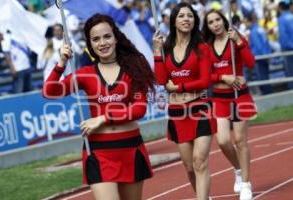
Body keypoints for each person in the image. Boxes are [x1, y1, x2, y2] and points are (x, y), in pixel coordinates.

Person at [42, 14, 154, 200]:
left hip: (130, 149)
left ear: (116, 38)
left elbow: (139, 109)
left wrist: (103, 118)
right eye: (96, 39)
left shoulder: (134, 69)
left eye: (107, 36)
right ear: (90, 44)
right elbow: (49, 91)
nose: (102, 43)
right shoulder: (85, 74)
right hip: (99, 151)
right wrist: (61, 63)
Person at [153, 3, 216, 200]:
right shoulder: (166, 47)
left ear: (195, 21)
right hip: (178, 113)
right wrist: (156, 52)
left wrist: (179, 87)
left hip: (200, 108)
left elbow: (205, 81)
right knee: (189, 167)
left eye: (190, 16)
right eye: (181, 16)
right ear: (173, 21)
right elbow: (162, 80)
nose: (186, 19)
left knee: (200, 161)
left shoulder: (202, 47)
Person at [202, 10, 257, 200]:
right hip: (219, 98)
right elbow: (205, 75)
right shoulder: (206, 46)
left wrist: (239, 42)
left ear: (224, 20)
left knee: (241, 141)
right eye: (211, 22)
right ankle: (238, 169)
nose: (215, 24)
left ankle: (247, 185)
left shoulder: (236, 38)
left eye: (218, 20)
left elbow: (250, 63)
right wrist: (222, 77)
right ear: (207, 26)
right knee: (223, 141)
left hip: (239, 96)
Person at [277, 1, 293, 89]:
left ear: (280, 8)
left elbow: (283, 37)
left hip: (288, 49)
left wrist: (285, 48)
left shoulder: (282, 19)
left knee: (290, 72)